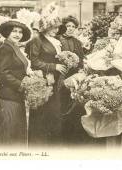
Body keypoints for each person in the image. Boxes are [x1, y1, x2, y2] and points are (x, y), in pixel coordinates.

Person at [25, 4, 67, 147]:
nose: (57, 30)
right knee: (42, 114)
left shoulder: (57, 41)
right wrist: (53, 67)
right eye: (54, 27)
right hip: (43, 82)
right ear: (47, 27)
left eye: (57, 27)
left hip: (55, 82)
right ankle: (39, 145)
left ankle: (53, 146)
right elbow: (34, 61)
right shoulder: (37, 39)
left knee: (54, 114)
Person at [0, 20, 31, 147]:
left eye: (20, 32)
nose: (17, 34)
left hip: (16, 96)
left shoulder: (15, 46)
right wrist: (21, 85)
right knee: (7, 132)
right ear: (8, 32)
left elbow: (19, 69)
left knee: (15, 132)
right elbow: (3, 73)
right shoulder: (6, 48)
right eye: (14, 31)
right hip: (8, 97)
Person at [57, 16, 87, 145]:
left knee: (74, 104)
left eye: (73, 27)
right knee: (60, 103)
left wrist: (80, 71)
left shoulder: (77, 42)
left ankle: (71, 135)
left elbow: (81, 59)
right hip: (60, 76)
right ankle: (61, 135)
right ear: (63, 26)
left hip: (74, 77)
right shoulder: (57, 40)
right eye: (68, 26)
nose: (70, 29)